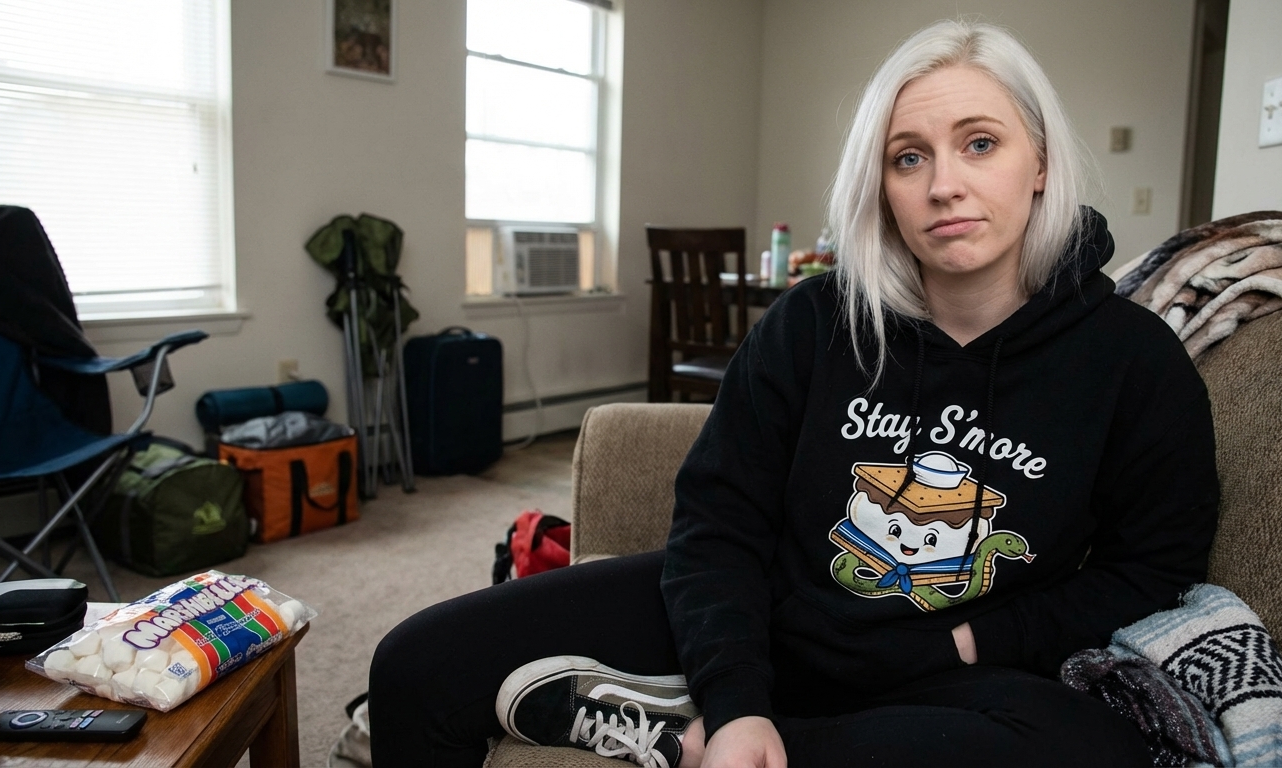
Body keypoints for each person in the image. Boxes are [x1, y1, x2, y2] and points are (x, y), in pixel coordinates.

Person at [370, 18, 1218, 768]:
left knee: (1097, 753)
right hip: (766, 616)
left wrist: (975, 638)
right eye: (908, 157)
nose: (943, 185)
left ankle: (675, 741)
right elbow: (720, 519)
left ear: (1040, 163)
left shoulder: (1132, 357)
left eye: (981, 144)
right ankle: (719, 723)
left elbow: (1156, 561)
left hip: (950, 671)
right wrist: (737, 696)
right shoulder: (814, 321)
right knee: (415, 667)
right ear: (881, 187)